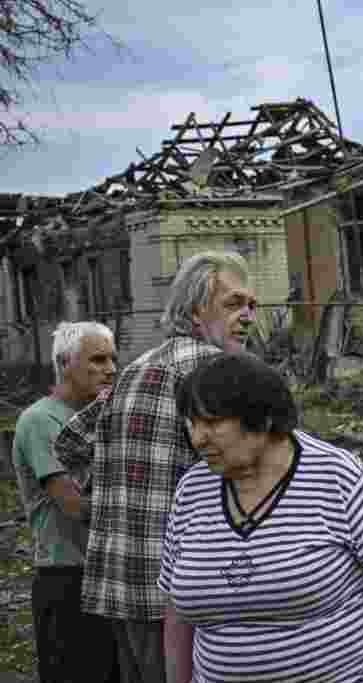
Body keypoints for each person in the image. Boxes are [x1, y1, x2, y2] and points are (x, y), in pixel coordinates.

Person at [160, 352, 363, 683]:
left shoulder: (338, 477)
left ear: (263, 418)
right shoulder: (192, 489)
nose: (197, 438)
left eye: (211, 423)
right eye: (192, 423)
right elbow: (177, 610)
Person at [53, 251, 258, 682]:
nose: (248, 316)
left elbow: (69, 441)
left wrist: (112, 490)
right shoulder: (217, 371)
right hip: (180, 592)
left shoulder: (136, 367)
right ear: (196, 309)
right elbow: (258, 474)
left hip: (119, 577)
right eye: (234, 303)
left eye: (252, 306)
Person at [12, 321, 119, 683]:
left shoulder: (104, 417)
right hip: (68, 580)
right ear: (65, 363)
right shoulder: (42, 420)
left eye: (113, 359)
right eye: (98, 360)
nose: (111, 369)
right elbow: (73, 505)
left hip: (110, 579)